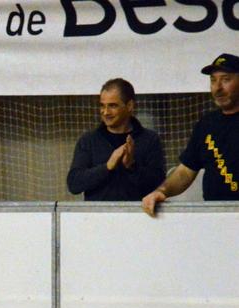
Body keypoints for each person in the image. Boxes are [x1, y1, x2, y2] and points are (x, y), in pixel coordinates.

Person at [142, 53, 239, 215]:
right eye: (213, 80)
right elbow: (185, 171)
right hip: (215, 217)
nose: (218, 88)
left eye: (226, 79)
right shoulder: (207, 124)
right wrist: (161, 191)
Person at [67, 78, 165, 201]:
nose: (105, 112)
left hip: (138, 212)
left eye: (112, 106)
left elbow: (159, 183)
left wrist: (131, 166)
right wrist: (107, 167)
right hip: (99, 213)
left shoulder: (150, 139)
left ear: (129, 106)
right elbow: (74, 184)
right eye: (102, 106)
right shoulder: (88, 140)